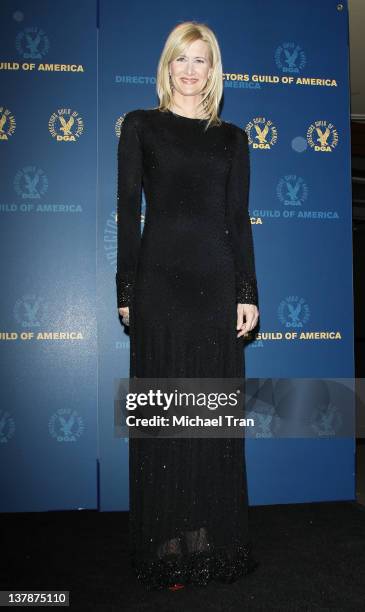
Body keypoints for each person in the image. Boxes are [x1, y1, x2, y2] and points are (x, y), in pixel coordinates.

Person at [116, 21, 260, 591]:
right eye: (182, 59)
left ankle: (204, 538)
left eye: (202, 60)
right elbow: (129, 212)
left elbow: (238, 222)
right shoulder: (140, 126)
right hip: (160, 287)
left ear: (213, 69)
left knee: (208, 414)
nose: (191, 71)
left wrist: (247, 292)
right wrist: (126, 290)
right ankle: (165, 543)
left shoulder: (233, 138)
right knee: (166, 418)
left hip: (215, 285)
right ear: (167, 65)